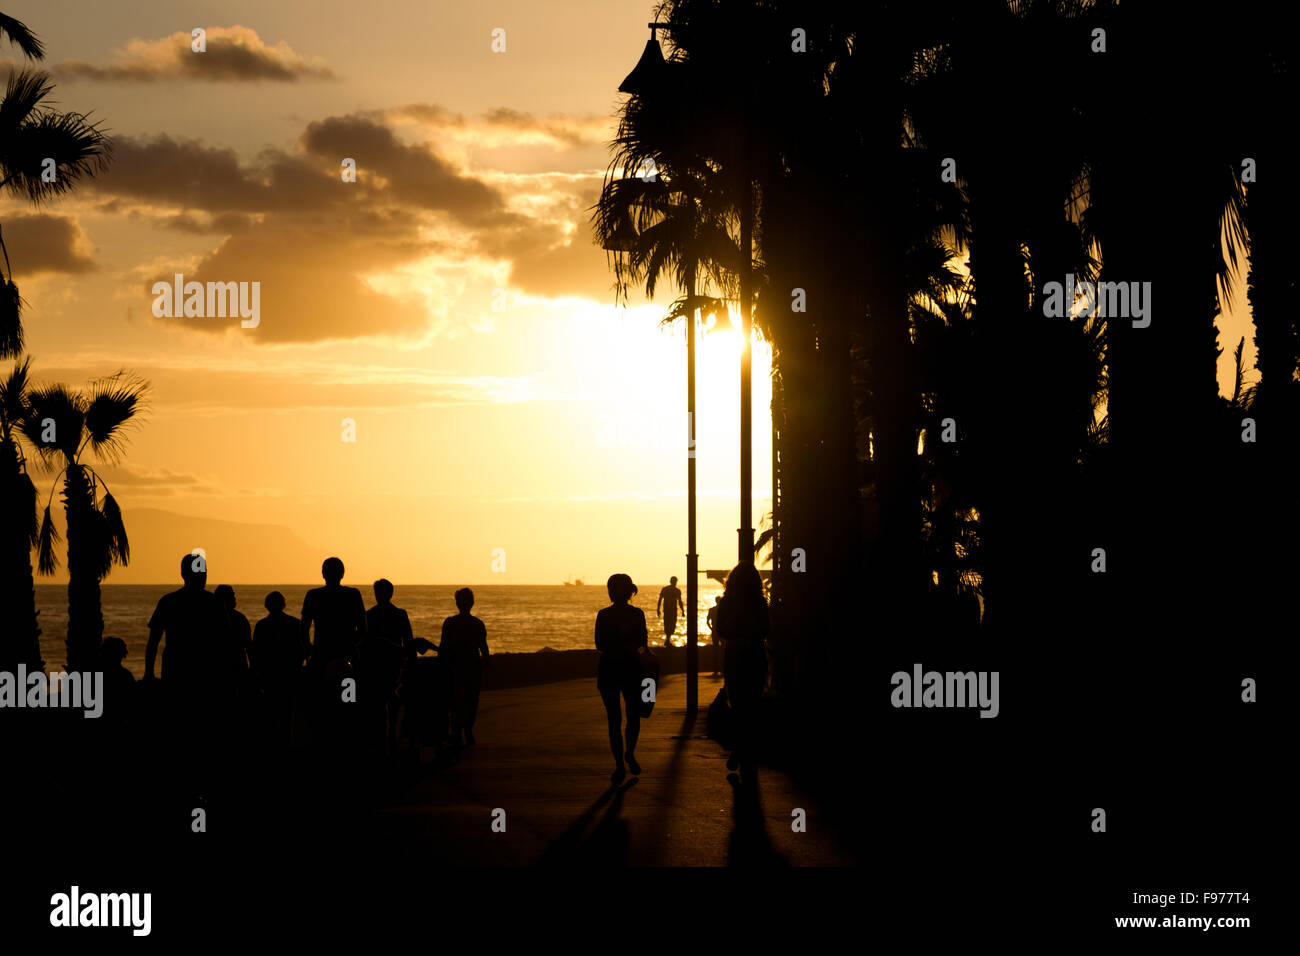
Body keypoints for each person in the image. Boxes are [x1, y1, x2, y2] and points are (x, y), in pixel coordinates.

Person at [713, 562, 769, 779]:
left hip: (736, 654)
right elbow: (765, 629)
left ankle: (739, 748)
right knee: (752, 704)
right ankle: (746, 749)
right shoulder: (760, 602)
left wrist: (737, 631)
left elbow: (721, 630)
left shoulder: (728, 602)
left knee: (738, 704)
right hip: (754, 653)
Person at [595, 573, 648, 781]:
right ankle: (628, 755)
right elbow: (642, 642)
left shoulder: (604, 615)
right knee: (632, 716)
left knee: (614, 719)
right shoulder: (637, 614)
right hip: (631, 668)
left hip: (609, 668)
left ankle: (620, 763)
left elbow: (600, 644)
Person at [439, 588, 489, 748]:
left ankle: (459, 731)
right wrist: (486, 663)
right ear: (472, 603)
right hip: (471, 667)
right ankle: (466, 730)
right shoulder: (477, 624)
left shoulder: (450, 622)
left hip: (457, 667)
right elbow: (484, 648)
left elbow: (443, 648)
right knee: (470, 701)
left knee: (456, 702)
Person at [252, 591, 305, 740]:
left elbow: (256, 653)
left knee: (271, 712)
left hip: (269, 676)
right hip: (290, 674)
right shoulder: (295, 623)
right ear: (284, 604)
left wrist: (257, 674)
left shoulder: (262, 625)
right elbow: (302, 649)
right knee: (288, 712)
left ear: (266, 606)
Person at [300, 557, 366, 665]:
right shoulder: (353, 594)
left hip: (321, 653)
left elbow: (304, 628)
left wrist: (309, 650)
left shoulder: (313, 595)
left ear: (323, 574)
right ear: (342, 574)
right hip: (346, 653)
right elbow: (363, 629)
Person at [214, 584, 254, 694]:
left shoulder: (208, 618)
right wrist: (253, 668)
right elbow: (249, 647)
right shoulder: (239, 618)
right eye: (232, 596)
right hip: (237, 667)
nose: (235, 598)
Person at [366, 579, 413, 649]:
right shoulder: (401, 614)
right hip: (396, 656)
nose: (378, 595)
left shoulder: (369, 614)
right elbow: (408, 640)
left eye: (380, 593)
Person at [657, 575, 684, 646]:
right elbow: (660, 599)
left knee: (670, 625)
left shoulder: (675, 590)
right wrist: (658, 609)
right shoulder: (667, 589)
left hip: (671, 610)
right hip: (668, 610)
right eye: (674, 581)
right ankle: (667, 640)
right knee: (668, 624)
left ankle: (667, 640)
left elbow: (680, 601)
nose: (675, 583)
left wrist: (683, 610)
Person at [706, 596, 723, 677]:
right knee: (723, 650)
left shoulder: (712, 609)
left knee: (715, 650)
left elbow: (707, 621)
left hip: (714, 631)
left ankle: (716, 669)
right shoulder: (723, 610)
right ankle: (722, 668)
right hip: (721, 631)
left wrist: (711, 628)